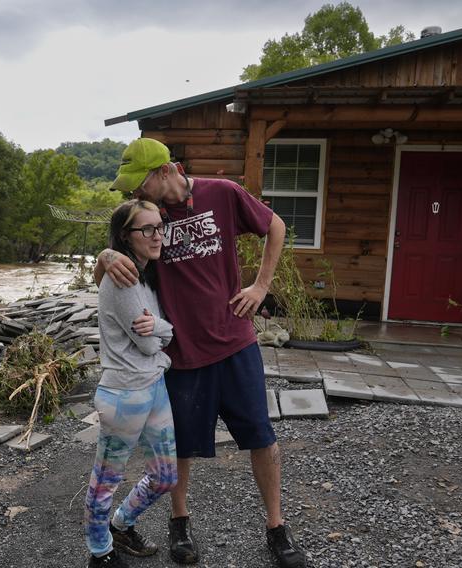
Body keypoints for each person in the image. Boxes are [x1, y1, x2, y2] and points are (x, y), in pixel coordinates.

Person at [94, 138, 307, 568]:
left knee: (261, 437)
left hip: (235, 342)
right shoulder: (147, 220)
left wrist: (261, 285)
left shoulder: (221, 193)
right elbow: (109, 258)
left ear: (167, 171)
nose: (136, 193)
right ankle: (180, 523)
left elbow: (275, 226)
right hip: (182, 351)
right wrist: (103, 255)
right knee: (183, 448)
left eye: (141, 183)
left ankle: (277, 527)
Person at [84, 199, 178, 568]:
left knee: (166, 476)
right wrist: (163, 331)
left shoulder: (147, 275)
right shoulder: (122, 279)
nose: (158, 236)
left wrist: (160, 327)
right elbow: (148, 342)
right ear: (126, 235)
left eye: (160, 227)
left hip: (154, 385)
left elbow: (159, 332)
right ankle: (99, 551)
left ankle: (122, 524)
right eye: (147, 229)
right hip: (124, 393)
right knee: (105, 480)